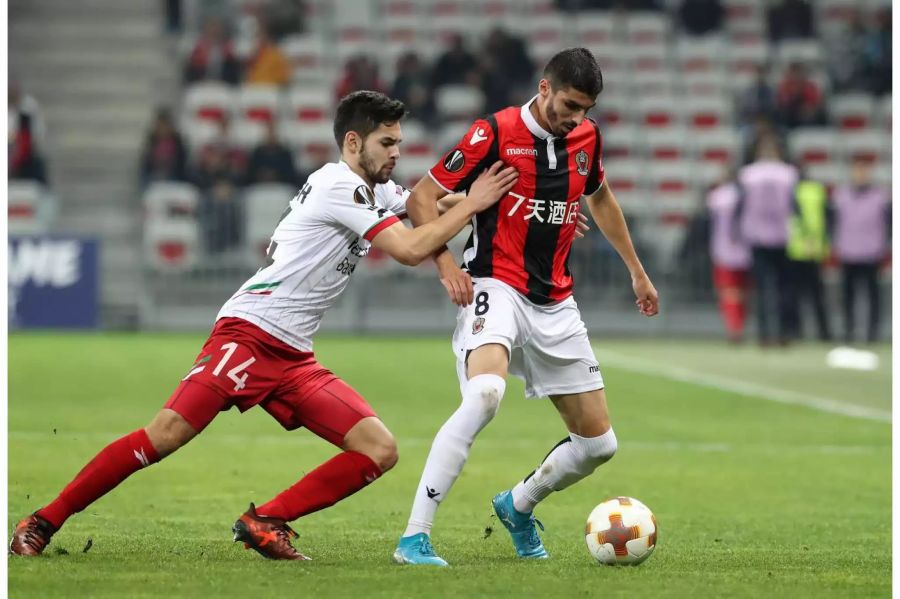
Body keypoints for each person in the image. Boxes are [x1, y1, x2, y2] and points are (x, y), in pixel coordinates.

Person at [9, 91, 518, 560]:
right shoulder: (337, 184)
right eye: (387, 143)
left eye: (399, 144)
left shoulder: (371, 190)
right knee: (163, 435)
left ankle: (266, 520)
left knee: (379, 449)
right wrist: (473, 202)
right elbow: (411, 248)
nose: (396, 154)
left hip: (293, 355)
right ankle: (42, 522)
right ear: (353, 141)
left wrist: (519, 206)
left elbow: (432, 206)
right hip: (249, 334)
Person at [392, 48, 659, 566]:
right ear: (543, 89)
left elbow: (598, 198)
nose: (575, 117)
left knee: (599, 446)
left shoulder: (588, 138)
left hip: (556, 300)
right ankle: (414, 536)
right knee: (487, 393)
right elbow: (421, 198)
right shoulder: (492, 132)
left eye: (585, 108)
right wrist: (446, 265)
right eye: (568, 104)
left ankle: (518, 505)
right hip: (496, 283)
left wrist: (637, 271)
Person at [735, 134, 797, 346]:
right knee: (782, 290)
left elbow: (740, 206)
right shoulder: (789, 174)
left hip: (759, 237)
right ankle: (783, 333)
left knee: (764, 290)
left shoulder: (748, 174)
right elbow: (794, 206)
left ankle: (765, 334)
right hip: (781, 236)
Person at [832, 156, 891, 343]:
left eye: (864, 171)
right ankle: (849, 331)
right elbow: (834, 224)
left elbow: (888, 225)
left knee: (873, 296)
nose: (860, 175)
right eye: (857, 171)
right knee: (848, 296)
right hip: (848, 251)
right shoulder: (841, 196)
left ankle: (872, 334)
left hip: (871, 252)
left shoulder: (881, 197)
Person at [785, 174, 832, 341]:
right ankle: (824, 333)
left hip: (796, 250)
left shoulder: (790, 191)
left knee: (795, 296)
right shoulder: (818, 190)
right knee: (816, 297)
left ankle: (795, 331)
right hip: (813, 249)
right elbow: (826, 220)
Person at [707, 168, 751, 343]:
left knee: (728, 293)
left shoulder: (718, 196)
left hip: (723, 251)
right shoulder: (745, 195)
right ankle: (739, 325)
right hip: (746, 251)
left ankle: (734, 327)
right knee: (742, 293)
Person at [140, 107, 188, 187]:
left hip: (174, 176)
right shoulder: (152, 140)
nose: (163, 128)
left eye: (165, 125)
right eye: (160, 125)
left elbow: (181, 162)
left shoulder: (177, 141)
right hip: (154, 175)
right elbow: (147, 162)